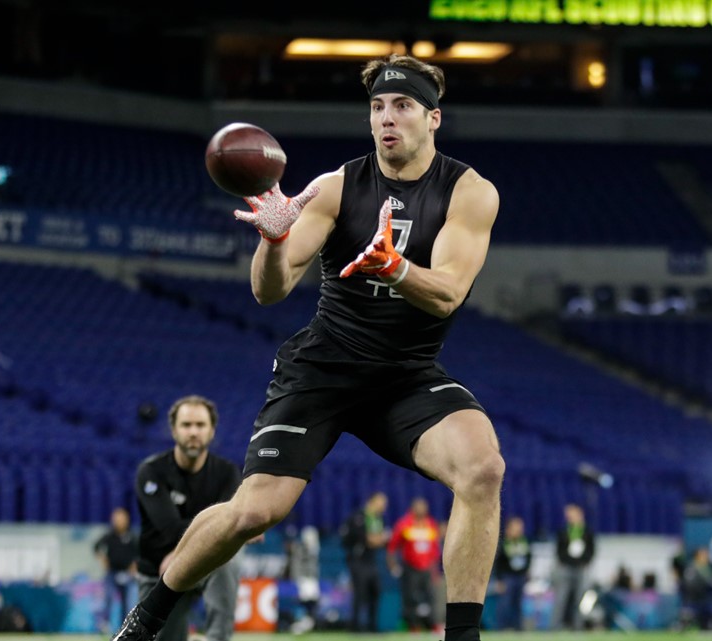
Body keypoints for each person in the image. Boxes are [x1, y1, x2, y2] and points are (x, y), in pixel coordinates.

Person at [112, 53, 503, 641]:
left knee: (483, 468)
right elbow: (270, 290)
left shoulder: (469, 192)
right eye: (377, 108)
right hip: (323, 369)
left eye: (401, 106)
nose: (386, 119)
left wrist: (395, 268)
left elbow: (446, 294)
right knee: (254, 512)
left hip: (404, 373)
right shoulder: (336, 187)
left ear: (434, 119)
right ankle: (149, 614)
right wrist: (272, 240)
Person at [134, 396, 242, 641]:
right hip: (158, 572)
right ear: (173, 430)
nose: (193, 432)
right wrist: (226, 526)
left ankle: (217, 638)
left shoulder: (227, 473)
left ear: (212, 431)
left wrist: (234, 527)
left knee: (228, 559)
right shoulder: (151, 471)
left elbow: (232, 528)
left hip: (208, 565)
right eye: (186, 425)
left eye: (200, 425)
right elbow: (170, 529)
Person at [388, 497, 442, 632]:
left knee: (430, 597)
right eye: (419, 507)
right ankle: (413, 626)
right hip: (410, 568)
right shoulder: (404, 524)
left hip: (427, 568)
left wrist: (434, 571)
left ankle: (432, 625)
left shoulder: (431, 524)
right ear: (413, 508)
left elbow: (435, 551)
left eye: (424, 507)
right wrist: (393, 566)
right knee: (410, 597)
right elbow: (392, 548)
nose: (422, 510)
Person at [339, 492, 388, 632]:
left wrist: (376, 540)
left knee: (375, 592)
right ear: (372, 501)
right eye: (382, 502)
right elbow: (368, 539)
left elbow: (379, 540)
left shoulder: (379, 519)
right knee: (360, 594)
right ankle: (355, 626)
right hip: (358, 560)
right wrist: (377, 539)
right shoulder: (359, 517)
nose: (384, 506)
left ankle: (372, 627)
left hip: (371, 560)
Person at [94, 507, 139, 633]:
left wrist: (134, 566)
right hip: (112, 574)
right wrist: (103, 560)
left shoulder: (132, 536)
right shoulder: (109, 536)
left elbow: (140, 554)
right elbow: (96, 547)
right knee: (108, 599)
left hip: (128, 575)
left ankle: (125, 628)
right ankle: (104, 625)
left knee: (129, 603)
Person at [553, 503, 595, 630]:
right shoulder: (564, 531)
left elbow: (591, 550)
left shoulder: (586, 531)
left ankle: (578, 626)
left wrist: (584, 561)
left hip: (581, 569)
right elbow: (559, 550)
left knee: (580, 599)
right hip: (565, 568)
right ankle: (555, 627)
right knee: (561, 598)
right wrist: (566, 561)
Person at [492, 516, 530, 631]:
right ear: (509, 529)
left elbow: (528, 558)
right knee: (505, 604)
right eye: (516, 528)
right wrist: (498, 580)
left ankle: (518, 628)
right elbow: (498, 563)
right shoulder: (503, 544)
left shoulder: (523, 542)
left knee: (518, 604)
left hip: (520, 577)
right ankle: (501, 628)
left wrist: (526, 572)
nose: (519, 530)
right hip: (507, 578)